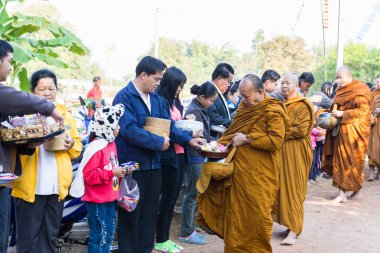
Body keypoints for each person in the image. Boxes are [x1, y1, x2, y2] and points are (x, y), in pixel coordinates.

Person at [113, 56, 203, 253]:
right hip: (132, 168)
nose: (159, 83)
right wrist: (157, 142)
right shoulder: (124, 97)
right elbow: (128, 129)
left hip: (155, 165)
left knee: (149, 215)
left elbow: (167, 126)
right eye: (156, 79)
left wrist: (188, 139)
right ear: (143, 75)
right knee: (131, 215)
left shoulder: (157, 100)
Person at [197, 74, 291, 253]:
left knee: (256, 218)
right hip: (239, 174)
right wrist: (218, 144)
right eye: (241, 96)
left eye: (247, 97)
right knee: (236, 219)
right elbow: (233, 132)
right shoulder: (245, 108)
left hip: (260, 176)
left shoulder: (273, 111)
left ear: (260, 92)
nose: (243, 100)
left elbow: (275, 141)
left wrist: (248, 140)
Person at [0, 40, 64, 253]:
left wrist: (30, 143)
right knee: (24, 237)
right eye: (9, 61)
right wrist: (49, 109)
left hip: (37, 184)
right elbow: (11, 96)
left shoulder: (68, 116)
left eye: (51, 89)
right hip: (24, 186)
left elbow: (7, 137)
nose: (10, 67)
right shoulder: (19, 103)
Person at [11, 69, 82, 253]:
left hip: (56, 188)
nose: (48, 92)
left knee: (50, 236)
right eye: (42, 88)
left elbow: (77, 149)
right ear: (33, 91)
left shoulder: (65, 115)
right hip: (29, 188)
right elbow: (12, 145)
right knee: (28, 239)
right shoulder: (22, 114)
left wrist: (71, 143)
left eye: (51, 88)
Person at [155, 67, 204, 252]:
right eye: (177, 85)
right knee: (166, 199)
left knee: (172, 197)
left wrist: (186, 120)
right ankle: (160, 239)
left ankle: (165, 238)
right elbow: (168, 128)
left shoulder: (173, 101)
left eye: (181, 86)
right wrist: (189, 134)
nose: (179, 89)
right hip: (169, 156)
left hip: (180, 154)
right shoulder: (160, 101)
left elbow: (176, 124)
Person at [272, 73, 314, 246]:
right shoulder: (281, 104)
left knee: (294, 189)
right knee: (282, 189)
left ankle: (295, 230)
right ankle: (288, 225)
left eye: (287, 83)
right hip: (281, 151)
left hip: (296, 151)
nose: (283, 86)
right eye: (282, 83)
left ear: (297, 85)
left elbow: (301, 130)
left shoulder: (304, 105)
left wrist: (278, 132)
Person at [322, 66, 371, 203]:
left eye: (340, 77)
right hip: (341, 131)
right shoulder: (340, 90)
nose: (338, 80)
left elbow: (363, 111)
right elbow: (336, 106)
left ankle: (356, 188)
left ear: (349, 76)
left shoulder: (360, 89)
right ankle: (341, 194)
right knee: (340, 161)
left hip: (355, 133)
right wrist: (331, 112)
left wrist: (343, 114)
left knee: (355, 161)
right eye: (336, 77)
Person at [81, 104, 126, 253]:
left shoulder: (111, 144)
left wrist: (121, 171)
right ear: (107, 126)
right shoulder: (96, 148)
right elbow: (89, 176)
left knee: (108, 235)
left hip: (110, 199)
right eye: (116, 124)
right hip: (97, 202)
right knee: (99, 236)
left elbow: (111, 167)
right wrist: (112, 173)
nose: (119, 127)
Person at [179, 82, 218, 245]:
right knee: (192, 195)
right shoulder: (194, 111)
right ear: (202, 97)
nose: (212, 104)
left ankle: (193, 226)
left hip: (199, 156)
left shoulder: (200, 108)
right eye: (211, 100)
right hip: (195, 156)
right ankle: (186, 232)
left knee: (196, 193)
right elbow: (199, 135)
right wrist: (216, 142)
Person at [207, 63, 234, 137]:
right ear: (219, 79)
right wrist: (232, 123)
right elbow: (214, 118)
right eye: (228, 81)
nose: (229, 85)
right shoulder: (209, 91)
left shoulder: (217, 92)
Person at [368, 76, 380, 181]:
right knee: (372, 146)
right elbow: (368, 107)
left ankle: (378, 173)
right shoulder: (372, 94)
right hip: (374, 124)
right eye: (378, 81)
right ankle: (371, 172)